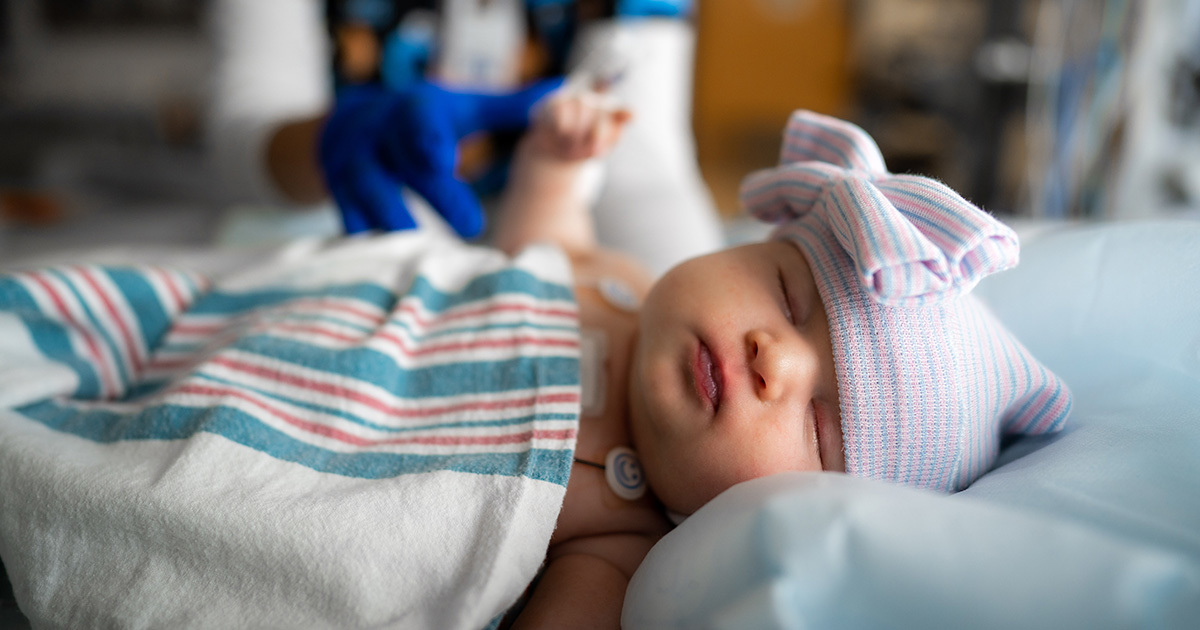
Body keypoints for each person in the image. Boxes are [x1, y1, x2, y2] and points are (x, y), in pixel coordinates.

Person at [0, 94, 1070, 627]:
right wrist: (560, 168)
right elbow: (541, 240)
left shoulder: (619, 535)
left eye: (821, 426)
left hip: (262, 466)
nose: (772, 360)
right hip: (256, 316)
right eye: (790, 298)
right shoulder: (614, 281)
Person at [207, 0, 724, 275]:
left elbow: (640, 171)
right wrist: (331, 140)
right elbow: (240, 139)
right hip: (327, 230)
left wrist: (678, 300)